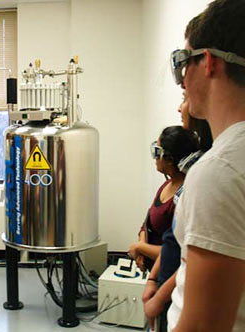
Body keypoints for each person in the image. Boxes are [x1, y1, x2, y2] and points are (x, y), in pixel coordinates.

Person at [167, 1, 245, 331]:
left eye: (185, 63)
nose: (183, 81)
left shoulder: (219, 171)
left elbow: (203, 326)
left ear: (209, 62)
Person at [142, 96, 213, 332]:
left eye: (185, 98)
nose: (179, 106)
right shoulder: (169, 187)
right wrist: (153, 279)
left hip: (176, 292)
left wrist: (160, 296)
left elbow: (190, 255)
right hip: (165, 285)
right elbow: (171, 238)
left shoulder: (202, 181)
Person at [128, 126, 199, 272]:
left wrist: (139, 247)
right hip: (154, 269)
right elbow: (147, 222)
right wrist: (143, 250)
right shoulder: (167, 184)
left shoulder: (183, 196)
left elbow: (177, 253)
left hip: (169, 275)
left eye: (157, 152)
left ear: (169, 159)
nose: (154, 158)